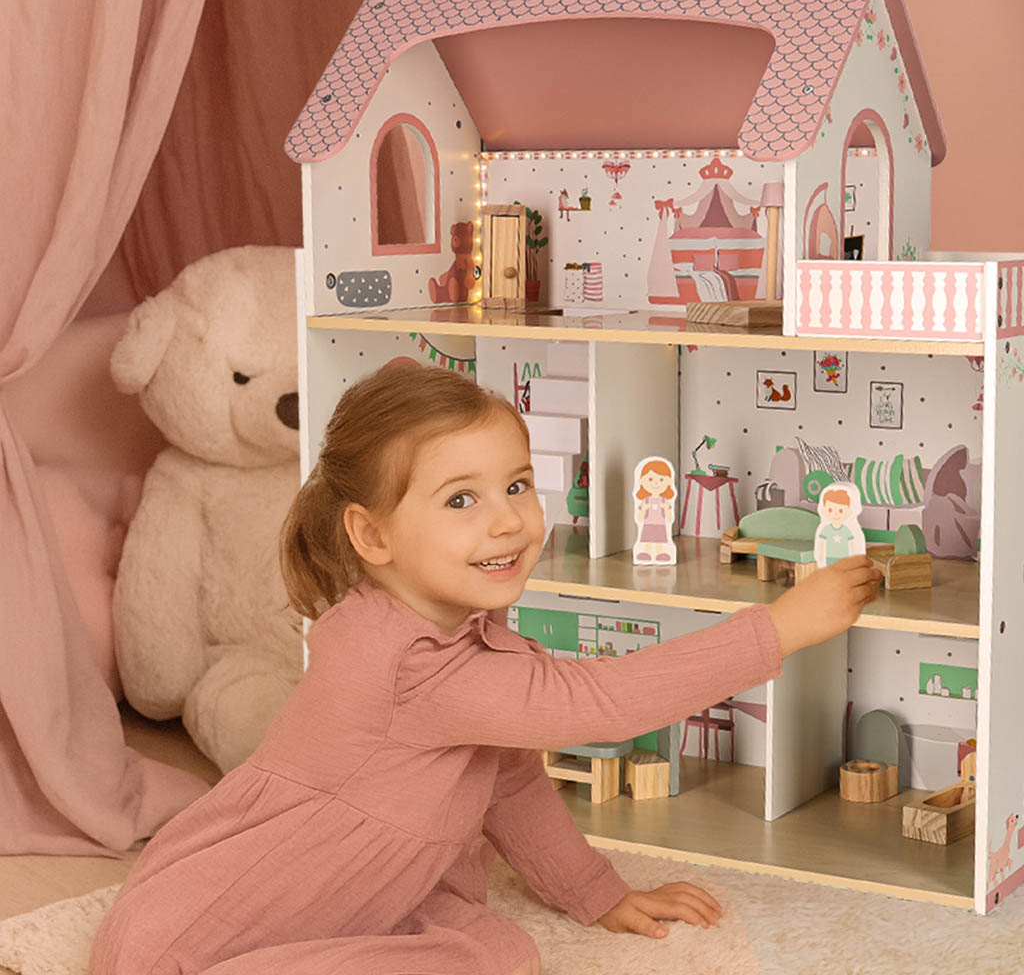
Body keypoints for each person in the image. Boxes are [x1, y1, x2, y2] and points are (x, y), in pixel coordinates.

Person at [90, 364, 881, 975]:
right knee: (492, 960)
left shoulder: (457, 634)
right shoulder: (407, 661)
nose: (508, 520)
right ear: (372, 536)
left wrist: (596, 894)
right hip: (203, 935)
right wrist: (777, 629)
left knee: (498, 947)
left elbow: (510, 783)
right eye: (460, 501)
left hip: (303, 898)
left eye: (516, 485)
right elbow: (601, 703)